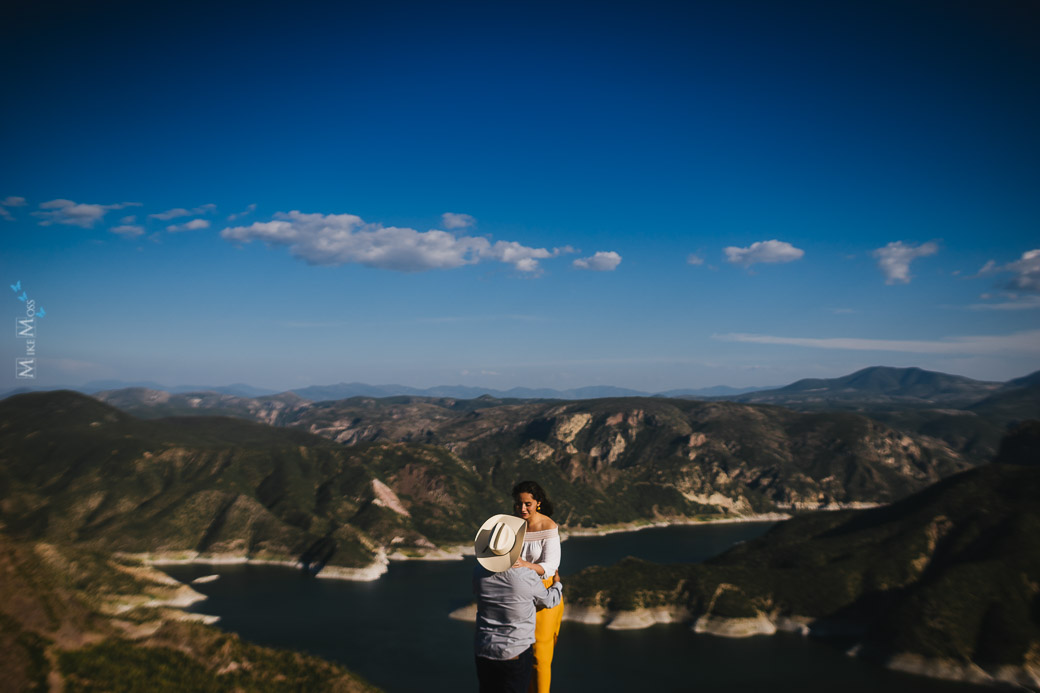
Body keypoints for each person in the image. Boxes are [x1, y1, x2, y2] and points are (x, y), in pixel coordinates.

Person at [473, 514, 563, 693]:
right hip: (514, 652)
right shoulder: (525, 576)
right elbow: (548, 600)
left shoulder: (478, 572)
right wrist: (557, 585)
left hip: (484, 650)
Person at [511, 481, 562, 693]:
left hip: (543, 595)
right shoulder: (513, 525)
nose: (522, 508)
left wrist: (525, 565)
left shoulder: (549, 527)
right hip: (518, 594)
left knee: (540, 657)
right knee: (518, 656)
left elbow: (551, 568)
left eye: (528, 504)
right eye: (518, 504)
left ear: (538, 503)